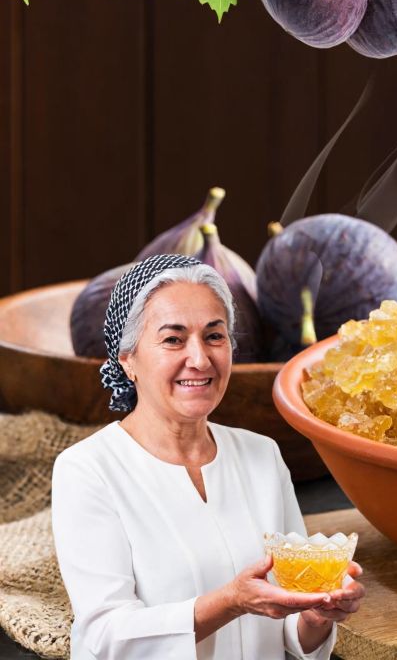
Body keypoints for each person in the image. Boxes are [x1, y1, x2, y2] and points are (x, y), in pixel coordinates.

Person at [51, 255, 365, 659]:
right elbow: (107, 636)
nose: (199, 359)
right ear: (128, 359)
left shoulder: (262, 455)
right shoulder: (88, 470)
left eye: (214, 336)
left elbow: (290, 622)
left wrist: (317, 617)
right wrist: (231, 601)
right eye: (173, 339)